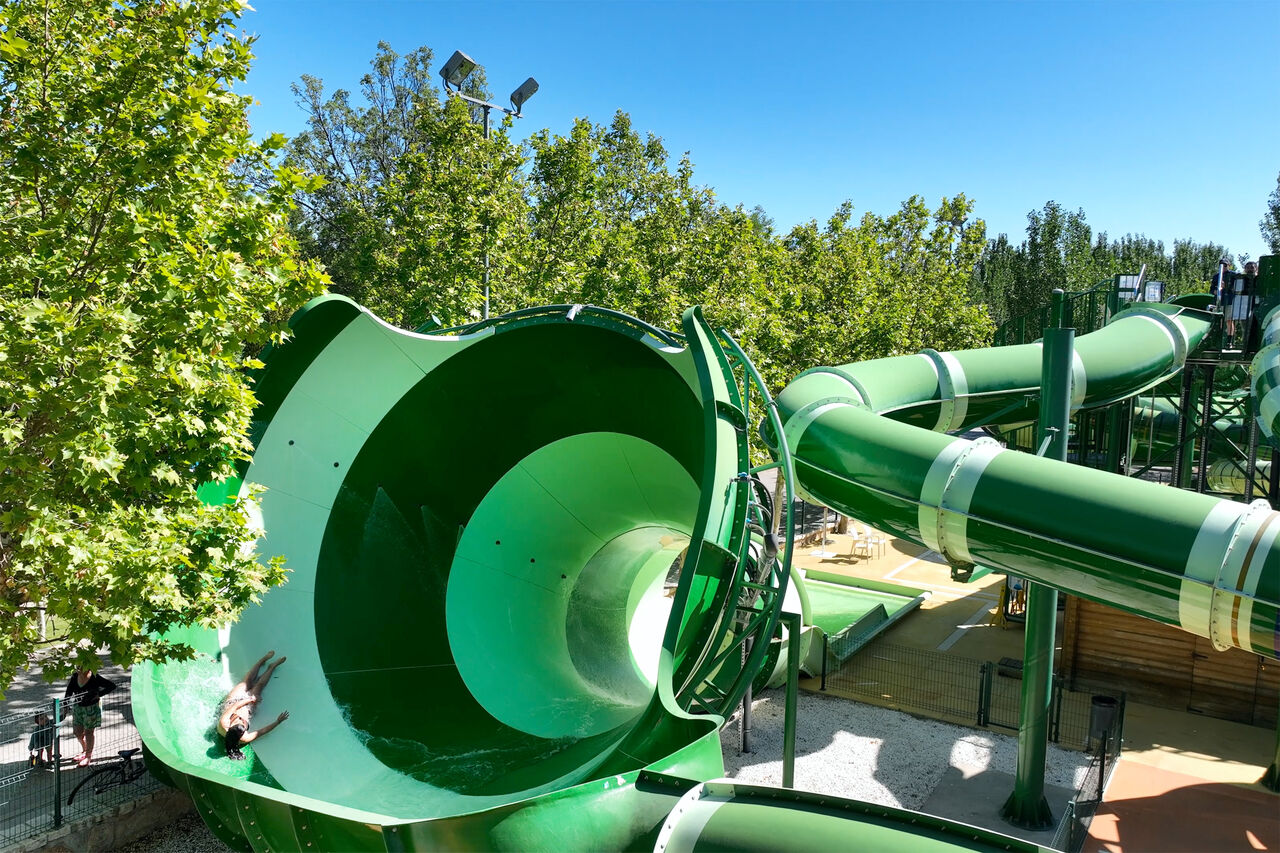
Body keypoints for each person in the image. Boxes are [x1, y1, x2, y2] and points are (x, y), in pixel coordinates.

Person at [217, 650, 289, 760]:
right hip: (248, 708)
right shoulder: (244, 738)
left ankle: (262, 660)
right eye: (242, 724)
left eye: (238, 722)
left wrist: (250, 698)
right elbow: (262, 732)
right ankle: (272, 666)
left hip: (233, 701)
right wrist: (278, 722)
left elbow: (234, 707)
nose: (241, 721)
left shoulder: (224, 723)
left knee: (247, 682)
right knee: (259, 685)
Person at [64, 668, 116, 767]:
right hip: (78, 708)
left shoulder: (94, 677)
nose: (78, 668)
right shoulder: (75, 676)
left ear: (87, 667)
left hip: (91, 708)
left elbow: (111, 686)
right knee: (77, 732)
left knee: (89, 732)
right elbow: (68, 692)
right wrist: (65, 706)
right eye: (77, 666)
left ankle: (88, 756)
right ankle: (84, 749)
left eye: (81, 666)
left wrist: (99, 694)